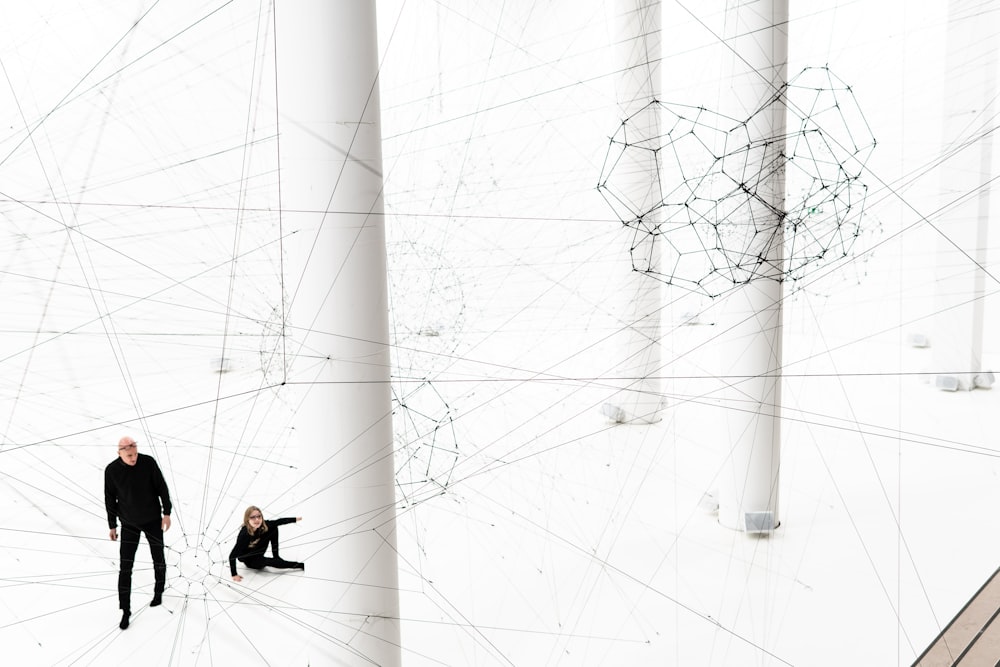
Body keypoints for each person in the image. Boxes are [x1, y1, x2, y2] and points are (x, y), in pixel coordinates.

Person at [104, 436, 172, 630]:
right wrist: (112, 525)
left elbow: (162, 487)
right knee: (125, 568)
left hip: (152, 521)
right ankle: (125, 610)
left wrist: (167, 513)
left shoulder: (148, 462)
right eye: (128, 455)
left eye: (134, 454)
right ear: (119, 453)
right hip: (129, 525)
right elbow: (110, 499)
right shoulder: (111, 471)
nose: (133, 458)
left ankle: (158, 592)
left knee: (158, 559)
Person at [229, 506, 304, 582]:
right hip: (250, 560)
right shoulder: (244, 534)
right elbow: (232, 556)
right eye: (253, 517)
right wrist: (234, 574)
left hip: (258, 551)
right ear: (247, 519)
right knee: (270, 562)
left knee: (273, 527)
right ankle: (301, 565)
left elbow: (279, 521)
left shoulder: (263, 525)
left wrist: (297, 519)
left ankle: (276, 556)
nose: (257, 520)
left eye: (259, 516)